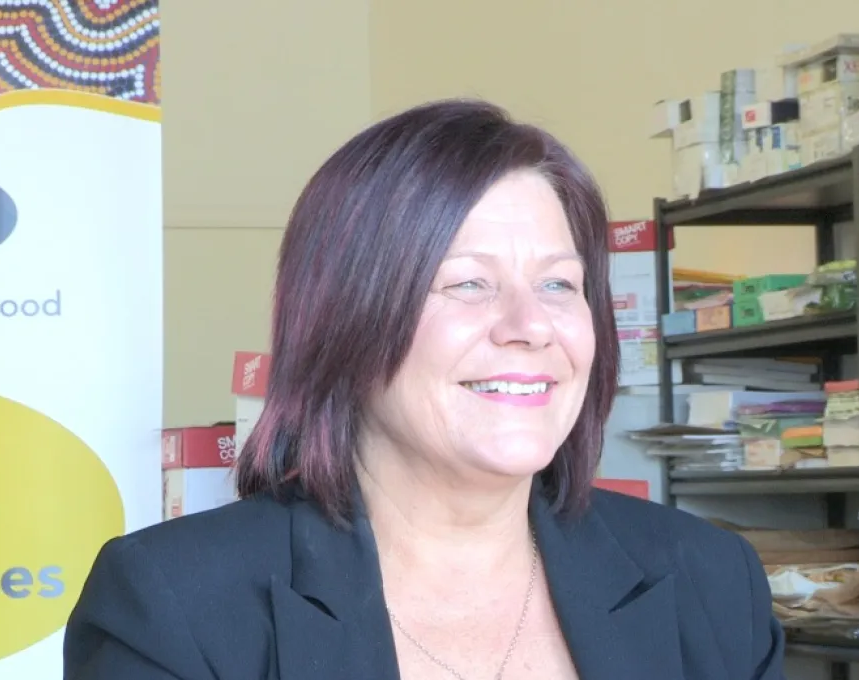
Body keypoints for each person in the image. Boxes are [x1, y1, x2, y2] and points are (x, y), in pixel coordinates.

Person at [62, 99, 785, 680]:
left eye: (559, 284)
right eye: (468, 283)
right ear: (345, 320)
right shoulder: (171, 604)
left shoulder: (712, 582)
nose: (530, 326)